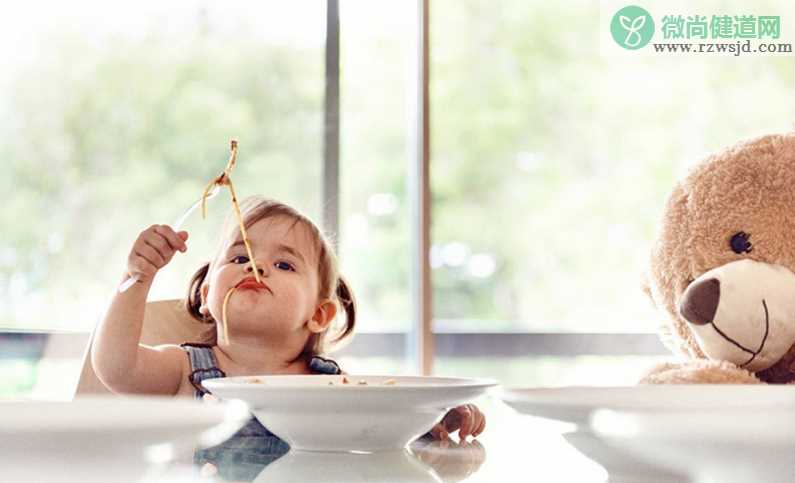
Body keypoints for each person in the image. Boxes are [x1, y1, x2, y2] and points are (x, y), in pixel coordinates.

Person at [91, 196, 486, 441]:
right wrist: (138, 277)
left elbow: (381, 432)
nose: (256, 267)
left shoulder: (334, 386)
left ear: (319, 314)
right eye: (239, 258)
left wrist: (431, 420)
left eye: (283, 263)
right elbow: (116, 368)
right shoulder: (182, 368)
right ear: (205, 296)